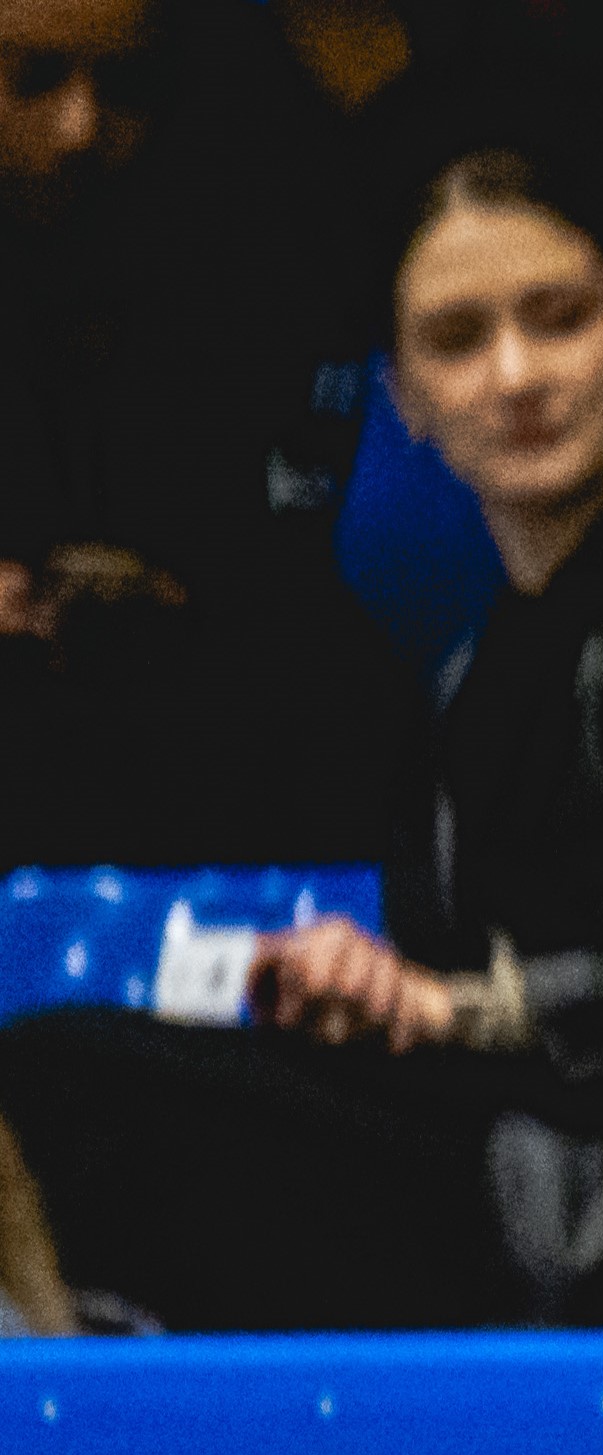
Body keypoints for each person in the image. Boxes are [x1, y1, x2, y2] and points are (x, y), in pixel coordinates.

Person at [0, 147, 603, 1335]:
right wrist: (378, 998)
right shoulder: (469, 672)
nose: (515, 376)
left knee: (76, 1091)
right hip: (535, 1181)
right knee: (67, 1081)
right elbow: (452, 997)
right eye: (456, 341)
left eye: (559, 321)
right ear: (404, 398)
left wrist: (476, 1009)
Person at [0, 0, 410, 864]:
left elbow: (279, 562)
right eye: (32, 78)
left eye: (125, 84)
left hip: (201, 728)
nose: (80, 127)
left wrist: (164, 597)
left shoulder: (252, 230)